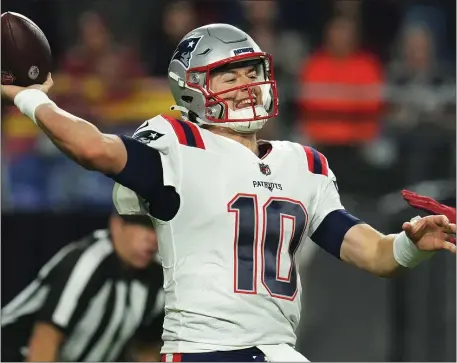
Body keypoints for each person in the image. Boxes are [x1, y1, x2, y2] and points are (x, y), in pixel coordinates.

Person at [2, 24, 455, 362]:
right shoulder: (179, 144)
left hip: (277, 349)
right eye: (228, 76)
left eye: (251, 70)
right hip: (205, 350)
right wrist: (31, 97)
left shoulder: (305, 163)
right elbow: (92, 148)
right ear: (193, 89)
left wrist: (411, 245)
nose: (246, 85)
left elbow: (375, 255)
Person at [1, 213, 164, 362]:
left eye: (159, 228)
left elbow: (147, 348)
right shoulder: (88, 262)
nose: (153, 238)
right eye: (144, 226)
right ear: (116, 225)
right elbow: (46, 337)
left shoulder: (159, 276)